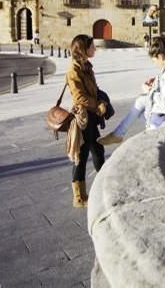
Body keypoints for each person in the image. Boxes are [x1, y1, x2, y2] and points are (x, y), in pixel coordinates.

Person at [97, 36, 165, 145]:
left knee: (146, 142)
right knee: (140, 101)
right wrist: (154, 84)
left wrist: (149, 90)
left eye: (154, 60)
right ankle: (118, 134)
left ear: (160, 56)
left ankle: (120, 134)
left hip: (164, 114)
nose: (154, 63)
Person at [65, 34, 111, 208]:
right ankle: (94, 192)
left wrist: (102, 100)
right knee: (92, 152)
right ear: (84, 49)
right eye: (92, 46)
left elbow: (93, 89)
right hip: (84, 118)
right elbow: (79, 97)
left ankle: (82, 196)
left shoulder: (86, 66)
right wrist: (97, 105)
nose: (95, 49)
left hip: (90, 115)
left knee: (87, 153)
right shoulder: (74, 71)